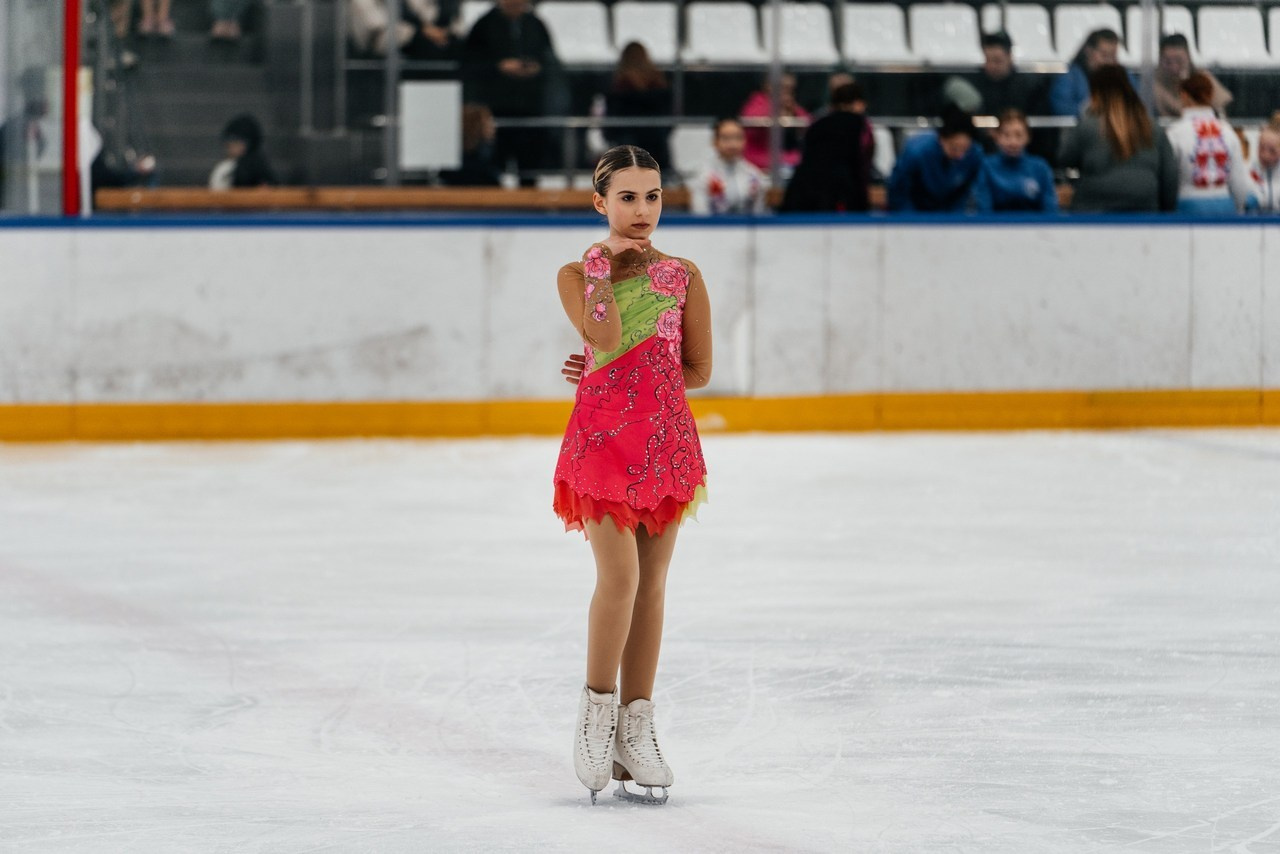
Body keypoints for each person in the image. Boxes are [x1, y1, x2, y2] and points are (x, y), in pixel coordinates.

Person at [553, 145, 712, 806]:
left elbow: (698, 370)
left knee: (651, 587)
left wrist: (640, 374)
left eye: (652, 196)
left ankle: (635, 728)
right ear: (600, 203)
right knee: (618, 579)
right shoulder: (574, 272)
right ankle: (595, 715)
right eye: (626, 198)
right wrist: (600, 268)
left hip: (665, 441)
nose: (642, 210)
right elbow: (611, 333)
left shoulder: (684, 273)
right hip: (601, 443)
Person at [1058, 65, 1177, 212]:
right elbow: (1170, 176)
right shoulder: (1153, 127)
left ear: (1095, 92)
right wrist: (1166, 212)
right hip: (1144, 207)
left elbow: (1064, 158)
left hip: (1094, 210)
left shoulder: (1087, 125)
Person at [463, 0, 558, 179]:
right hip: (496, 109)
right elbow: (471, 64)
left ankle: (531, 205)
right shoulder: (484, 25)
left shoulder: (536, 24)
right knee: (494, 169)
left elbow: (548, 59)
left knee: (529, 169)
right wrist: (499, 67)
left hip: (530, 108)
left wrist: (536, 68)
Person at [1165, 72, 1254, 214]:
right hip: (1224, 204)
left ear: (1184, 96)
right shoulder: (1228, 132)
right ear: (1210, 96)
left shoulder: (1175, 134)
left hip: (1187, 206)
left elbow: (1169, 180)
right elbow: (1238, 181)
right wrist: (1239, 209)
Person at [780, 83, 873, 213]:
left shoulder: (817, 125)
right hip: (839, 199)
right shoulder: (860, 126)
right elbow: (859, 167)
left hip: (800, 195)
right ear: (859, 103)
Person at [886, 107, 983, 212]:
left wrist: (956, 220)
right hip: (915, 214)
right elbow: (898, 192)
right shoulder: (916, 152)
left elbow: (969, 192)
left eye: (965, 149)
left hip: (950, 216)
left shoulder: (974, 154)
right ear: (941, 139)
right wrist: (912, 221)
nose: (960, 155)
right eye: (954, 148)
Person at [603, 43, 672, 171]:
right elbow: (668, 116)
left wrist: (609, 135)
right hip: (656, 144)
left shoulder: (619, 85)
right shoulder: (658, 83)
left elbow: (611, 118)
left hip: (627, 143)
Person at [973, 109, 1058, 212]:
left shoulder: (1040, 167)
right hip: (996, 226)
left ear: (1028, 137)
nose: (1013, 142)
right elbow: (983, 210)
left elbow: (1050, 210)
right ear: (997, 137)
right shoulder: (987, 166)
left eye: (1018, 135)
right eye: (1006, 135)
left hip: (1035, 227)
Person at [688, 117, 768, 215]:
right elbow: (699, 215)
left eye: (738, 138)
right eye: (726, 138)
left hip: (747, 228)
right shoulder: (703, 176)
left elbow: (758, 215)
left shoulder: (754, 175)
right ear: (715, 142)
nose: (733, 144)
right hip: (711, 228)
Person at [739, 72, 810, 173]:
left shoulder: (793, 106)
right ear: (768, 86)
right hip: (759, 158)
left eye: (790, 88)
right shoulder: (757, 102)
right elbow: (753, 124)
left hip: (787, 158)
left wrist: (793, 110)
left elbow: (807, 122)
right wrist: (777, 106)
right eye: (783, 87)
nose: (787, 91)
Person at [347, 0, 462, 59]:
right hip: (381, 52)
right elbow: (375, 27)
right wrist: (421, 31)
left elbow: (428, 15)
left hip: (422, 41)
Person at [1153, 34, 1232, 119]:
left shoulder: (1201, 78)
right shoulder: (1155, 84)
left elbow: (1221, 108)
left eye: (1179, 61)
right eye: (1168, 62)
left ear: (1188, 58)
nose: (1174, 67)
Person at [1050, 28, 1122, 116]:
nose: (1109, 61)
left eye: (1113, 56)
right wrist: (1086, 110)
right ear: (1088, 51)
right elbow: (1060, 108)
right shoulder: (1069, 77)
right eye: (1104, 55)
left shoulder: (1123, 75)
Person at [209, 114, 276, 189]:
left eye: (235, 140)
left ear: (247, 143)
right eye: (229, 141)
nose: (229, 146)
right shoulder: (225, 168)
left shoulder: (258, 166)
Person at [439, 104, 501, 185]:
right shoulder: (462, 161)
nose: (493, 126)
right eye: (488, 121)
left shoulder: (487, 152)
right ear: (475, 126)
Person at [1249, 122, 1280, 212]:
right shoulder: (1250, 169)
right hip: (1255, 222)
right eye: (1261, 148)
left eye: (1272, 150)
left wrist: (1261, 198)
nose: (1265, 155)